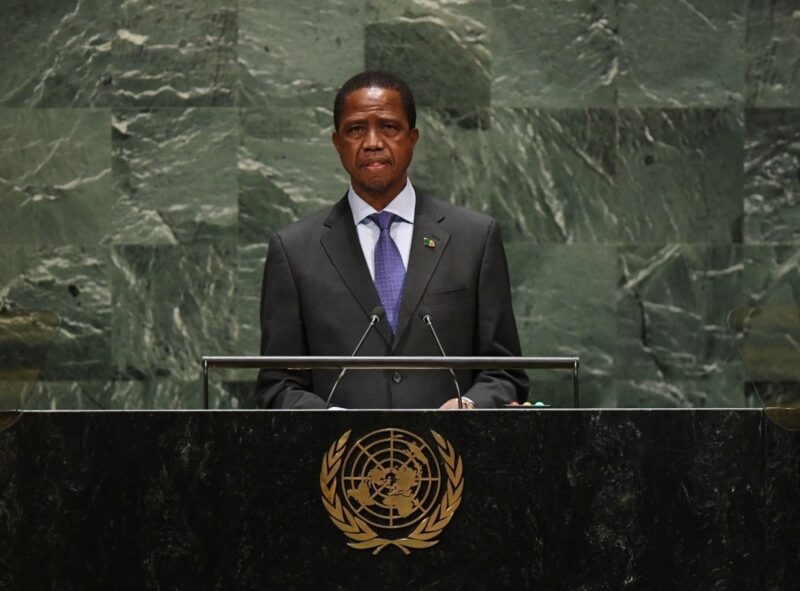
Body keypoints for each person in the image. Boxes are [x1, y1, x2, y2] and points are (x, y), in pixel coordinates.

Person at [254, 71, 528, 409]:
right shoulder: (294, 251)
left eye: (388, 127)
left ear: (412, 138)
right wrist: (331, 422)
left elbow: (505, 373)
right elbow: (277, 385)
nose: (372, 142)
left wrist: (468, 406)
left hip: (452, 454)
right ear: (337, 142)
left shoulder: (474, 239)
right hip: (338, 458)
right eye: (356, 129)